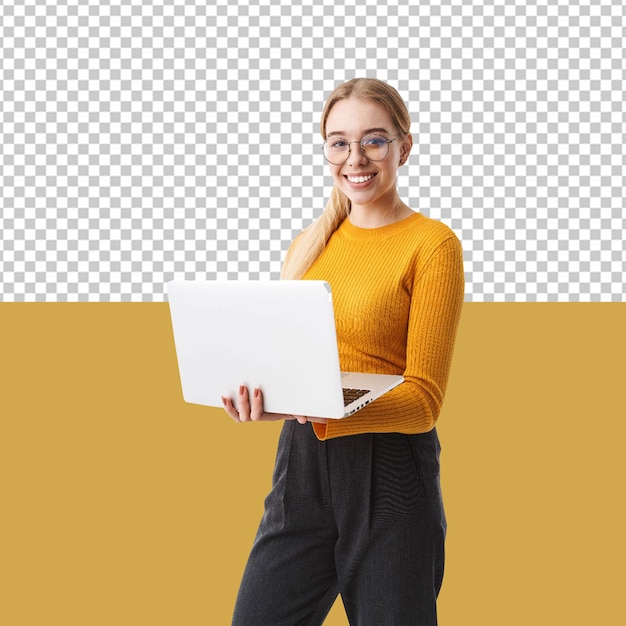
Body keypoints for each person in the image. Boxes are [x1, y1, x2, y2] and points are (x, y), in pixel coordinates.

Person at [222, 78, 464, 626]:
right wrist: (263, 397)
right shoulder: (310, 246)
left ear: (405, 146)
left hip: (392, 476)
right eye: (339, 142)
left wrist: (326, 405)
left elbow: (424, 400)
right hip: (301, 466)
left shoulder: (432, 245)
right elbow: (290, 368)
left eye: (374, 140)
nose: (355, 158)